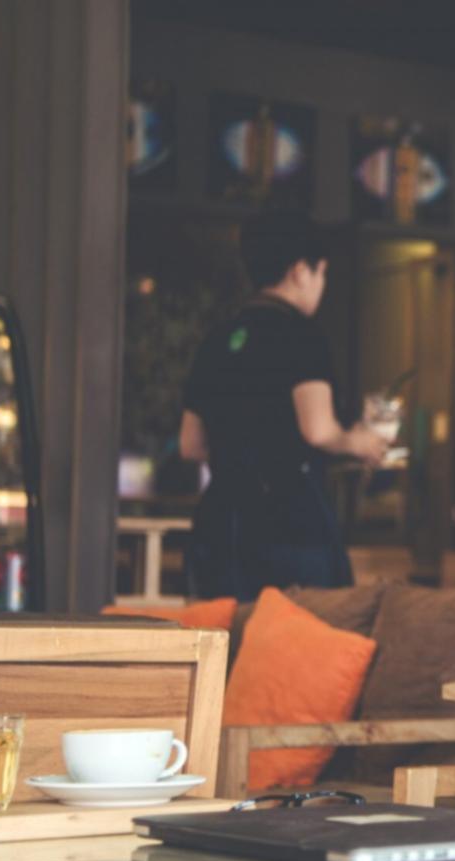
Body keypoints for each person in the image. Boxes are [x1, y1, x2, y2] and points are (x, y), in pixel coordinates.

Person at [179, 210, 388, 601]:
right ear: (299, 271)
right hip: (287, 525)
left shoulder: (218, 339)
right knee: (300, 642)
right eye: (321, 273)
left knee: (226, 645)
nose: (321, 285)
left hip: (221, 522)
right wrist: (357, 441)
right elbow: (318, 430)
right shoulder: (302, 334)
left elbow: (191, 444)